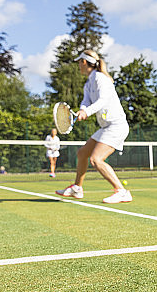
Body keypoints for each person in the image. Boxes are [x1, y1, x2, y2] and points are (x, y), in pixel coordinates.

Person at [55, 50, 133, 203]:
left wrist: (88, 112)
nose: (78, 65)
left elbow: (103, 100)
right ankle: (77, 188)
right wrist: (83, 109)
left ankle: (122, 191)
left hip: (116, 126)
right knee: (82, 153)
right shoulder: (89, 83)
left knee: (96, 159)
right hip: (106, 127)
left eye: (79, 62)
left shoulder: (100, 78)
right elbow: (86, 101)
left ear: (84, 62)